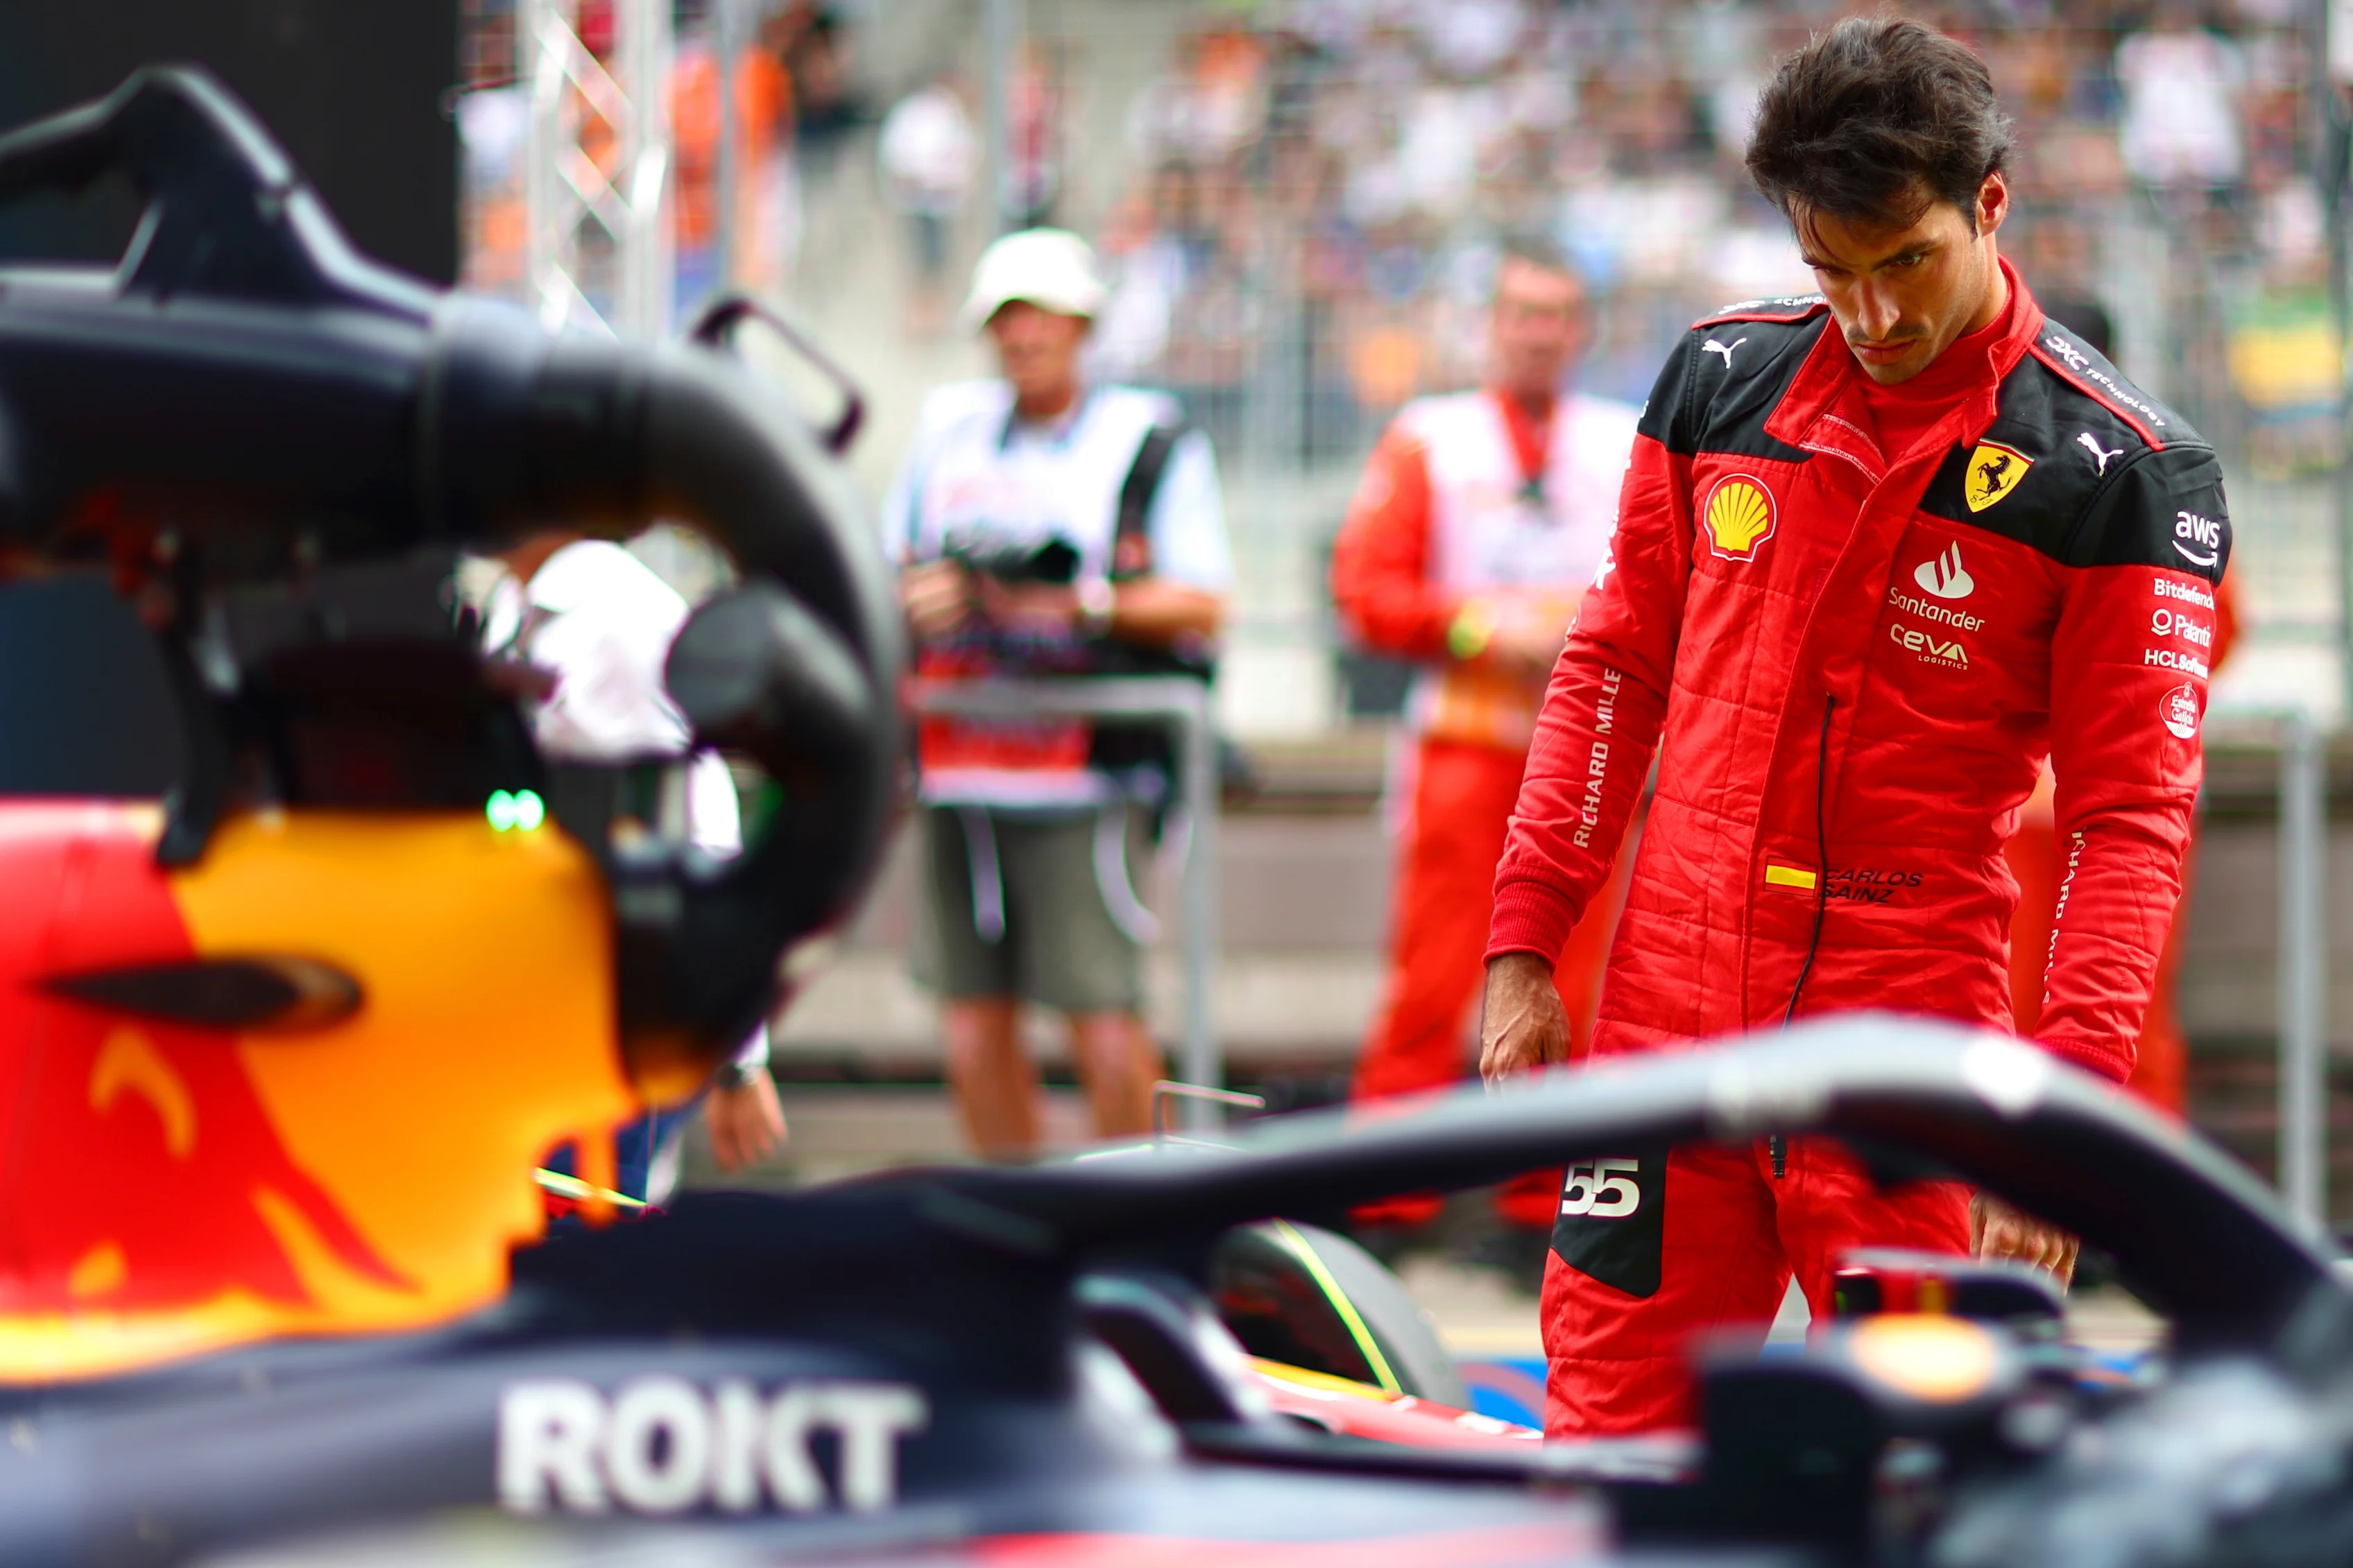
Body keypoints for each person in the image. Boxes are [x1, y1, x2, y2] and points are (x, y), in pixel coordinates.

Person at [1478, 18, 2232, 1436]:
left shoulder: (2124, 471)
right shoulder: (1715, 381)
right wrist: (1525, 938)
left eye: (1905, 264)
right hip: (1664, 1023)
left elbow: (2129, 821)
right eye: (1829, 270)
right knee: (1602, 1451)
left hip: (1909, 1048)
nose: (1872, 315)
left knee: (1936, 1472)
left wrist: (2059, 1123)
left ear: (1987, 207)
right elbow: (1609, 668)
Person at [886, 228, 1232, 1160]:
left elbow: (1205, 599)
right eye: (1005, 316)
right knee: (969, 1027)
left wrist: (1069, 601)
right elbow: (892, 572)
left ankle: (1138, 1228)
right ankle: (1017, 1233)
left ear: (1083, 325)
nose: (1022, 335)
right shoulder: (945, 432)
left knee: (1105, 1020)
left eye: (1041, 314)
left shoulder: (1146, 438)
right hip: (961, 768)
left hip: (1084, 771)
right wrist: (927, 597)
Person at [1330, 238, 1639, 1256]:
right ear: (1491, 325)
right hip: (1466, 747)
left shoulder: (1625, 441)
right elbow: (1364, 591)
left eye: (1557, 314)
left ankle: (1537, 1204)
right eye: (1521, 312)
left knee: (1581, 981)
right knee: (1431, 978)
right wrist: (1476, 628)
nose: (1539, 332)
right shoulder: (1432, 439)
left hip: (1590, 753)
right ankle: (1387, 1200)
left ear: (1581, 330)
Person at [475, 528, 787, 1200]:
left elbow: (702, 827)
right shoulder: (516, 603)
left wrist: (737, 1051)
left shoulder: (621, 618)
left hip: (610, 1016)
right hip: (524, 1001)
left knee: (579, 1251)